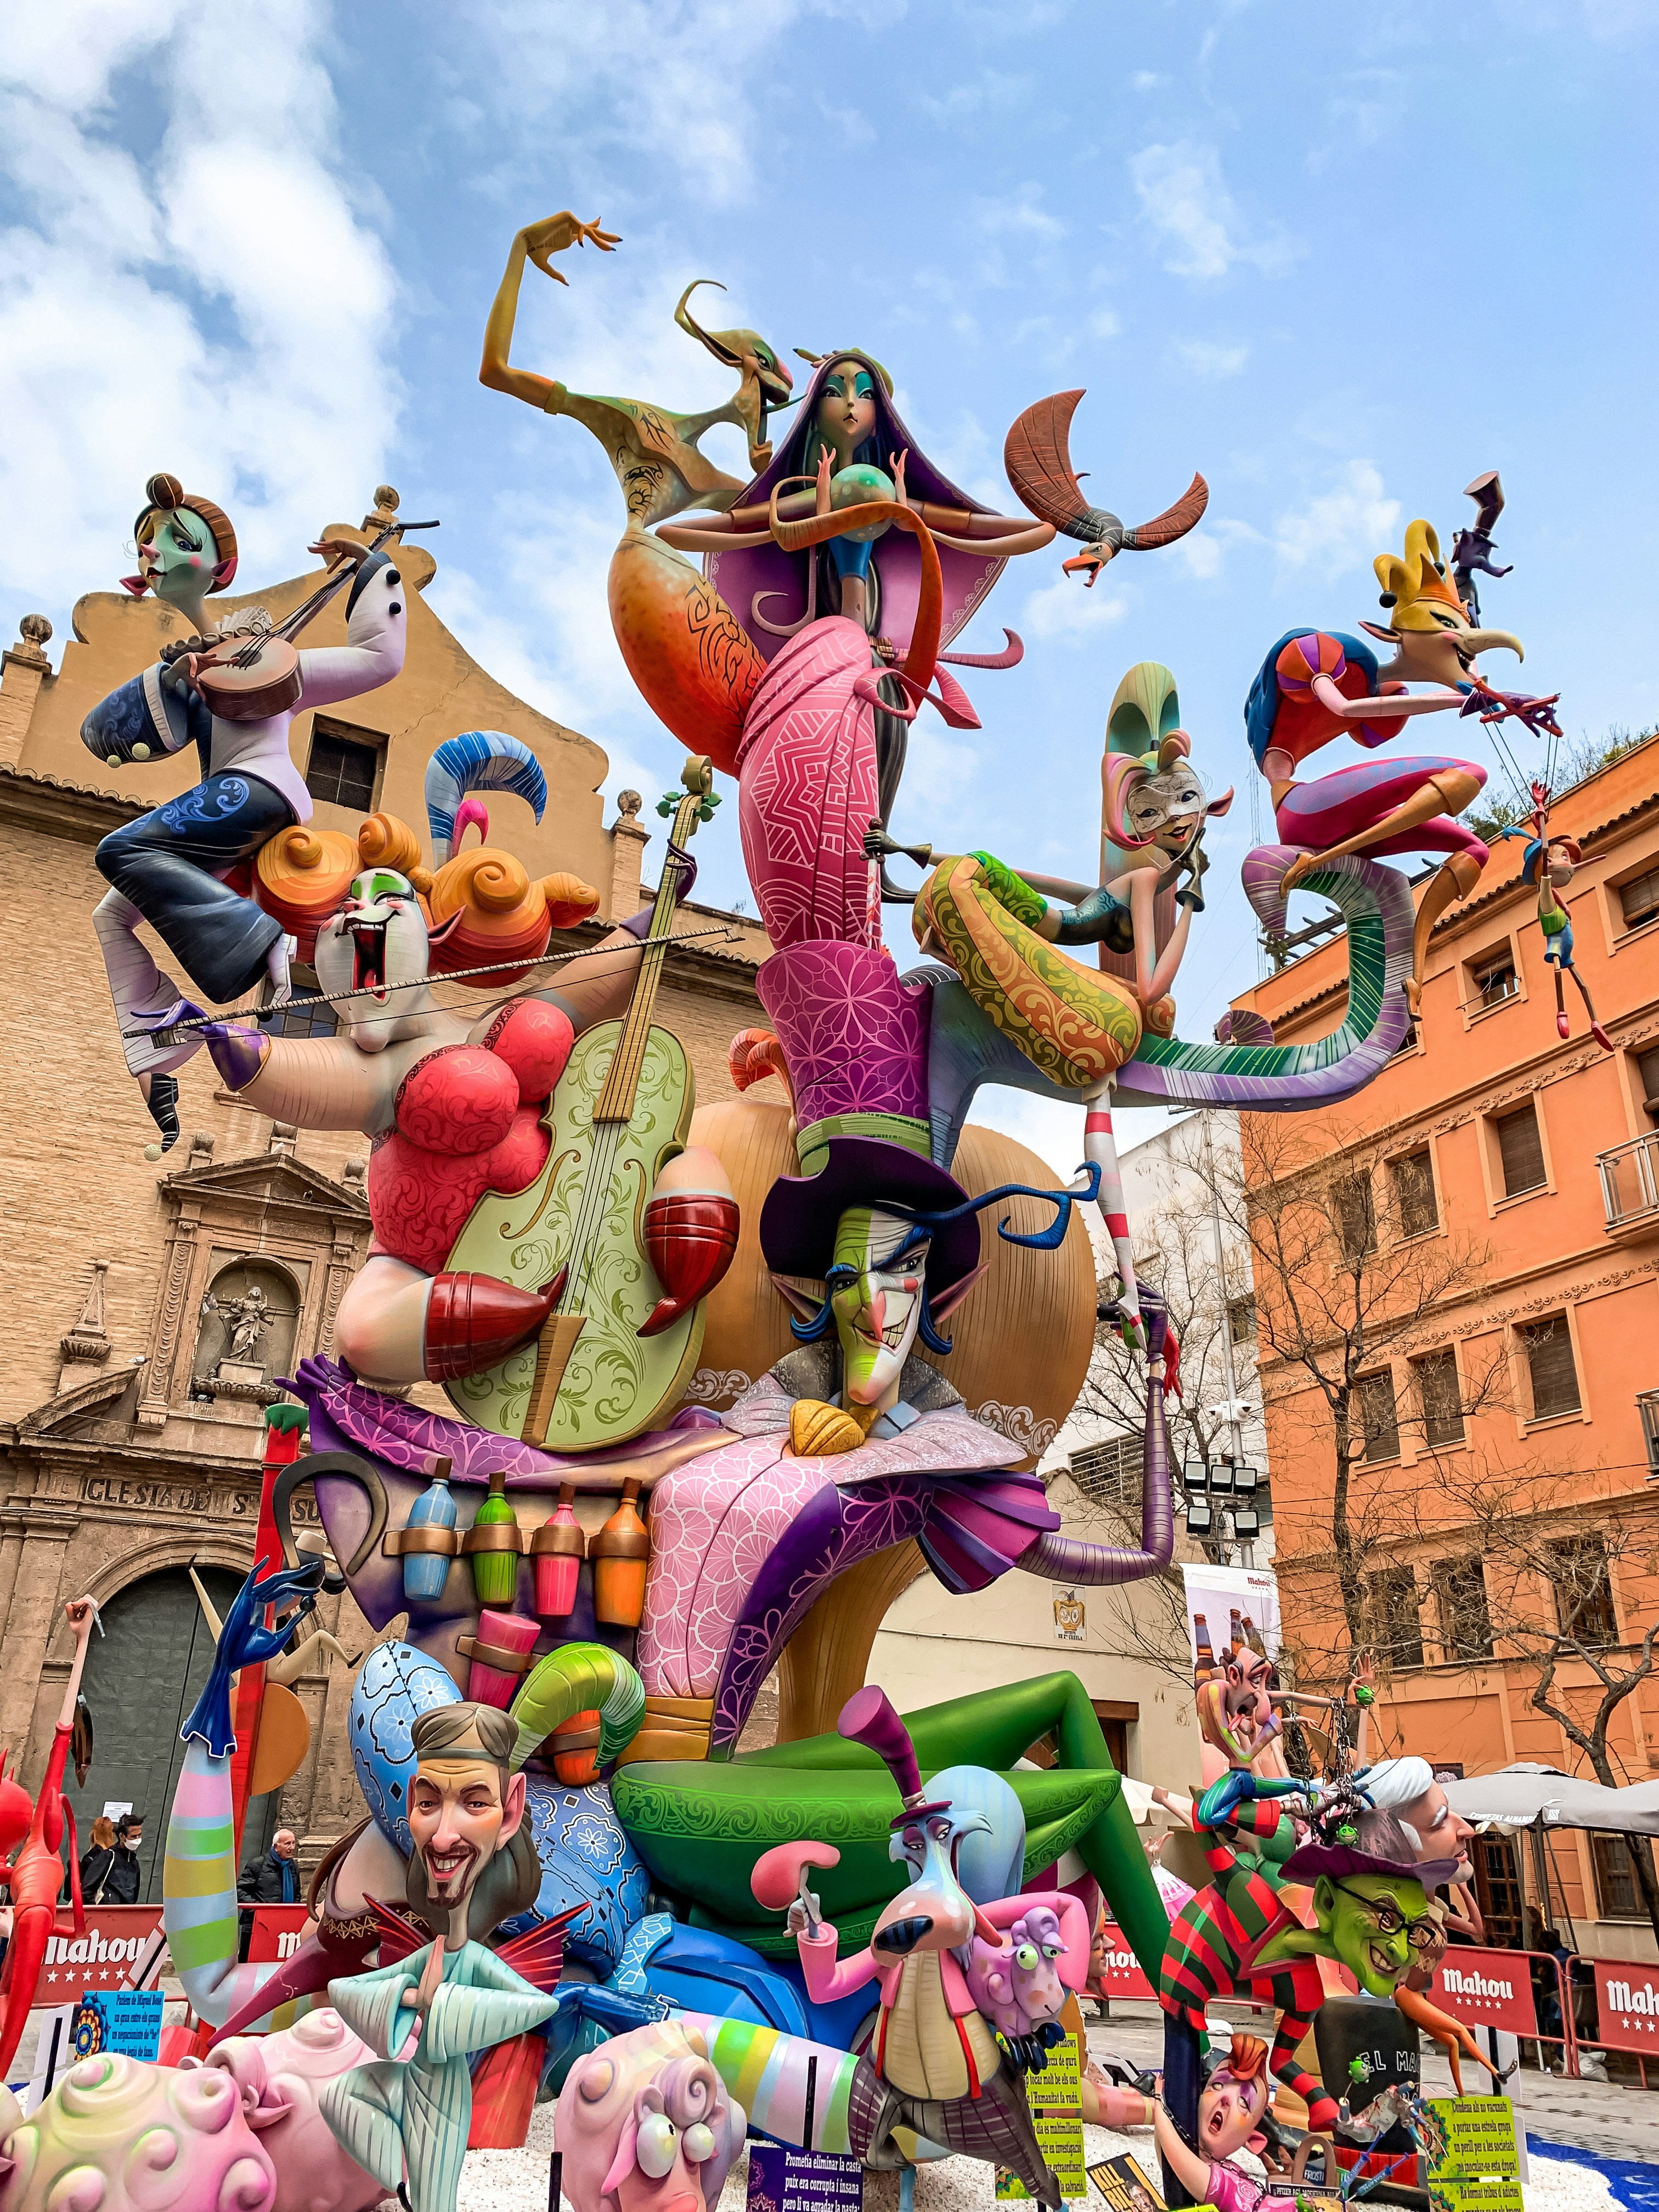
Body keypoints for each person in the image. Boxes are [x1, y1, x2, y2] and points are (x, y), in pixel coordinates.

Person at [236, 1826, 299, 1960]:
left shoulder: (292, 1866)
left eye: (294, 1843)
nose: (292, 1847)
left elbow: (297, 1894)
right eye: (287, 1843)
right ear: (276, 1846)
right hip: (256, 1925)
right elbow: (240, 1890)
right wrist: (259, 1910)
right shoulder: (257, 1864)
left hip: (282, 1927)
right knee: (249, 1963)